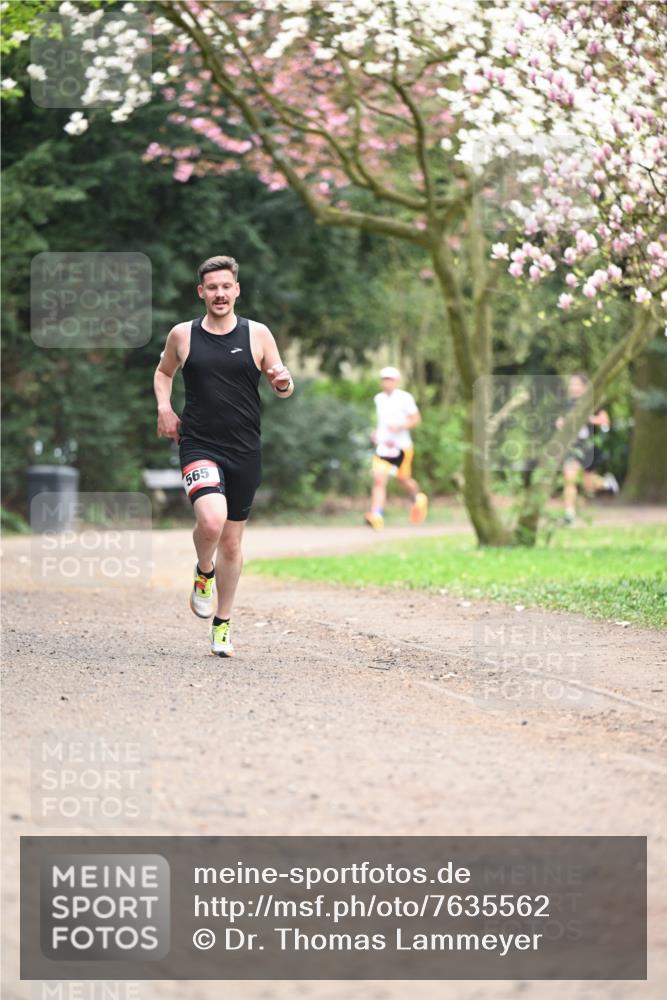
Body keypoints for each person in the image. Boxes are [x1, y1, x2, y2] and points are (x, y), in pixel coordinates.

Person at [154, 255, 294, 657]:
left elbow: (282, 384)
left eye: (225, 286)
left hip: (245, 449)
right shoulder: (183, 335)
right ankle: (203, 572)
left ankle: (222, 622)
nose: (219, 294)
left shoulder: (258, 334)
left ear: (236, 290)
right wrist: (165, 407)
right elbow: (163, 372)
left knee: (231, 544)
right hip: (198, 442)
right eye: (211, 287)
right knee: (211, 521)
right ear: (201, 292)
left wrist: (283, 382)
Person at [364, 366, 428, 530]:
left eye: (390, 379)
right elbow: (381, 422)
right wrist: (376, 433)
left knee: (403, 480)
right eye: (385, 379)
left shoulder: (405, 398)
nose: (387, 382)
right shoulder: (379, 399)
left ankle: (417, 498)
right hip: (384, 448)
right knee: (379, 479)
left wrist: (400, 426)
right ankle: (376, 515)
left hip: (401, 447)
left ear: (397, 381)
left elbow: (416, 419)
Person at [558, 373, 619, 525]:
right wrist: (560, 424)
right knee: (569, 479)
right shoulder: (567, 405)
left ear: (585, 387)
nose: (573, 387)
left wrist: (588, 419)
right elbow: (560, 422)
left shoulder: (593, 404)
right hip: (573, 448)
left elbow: (605, 421)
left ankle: (606, 483)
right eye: (571, 384)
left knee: (588, 485)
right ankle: (569, 515)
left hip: (589, 448)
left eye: (577, 384)